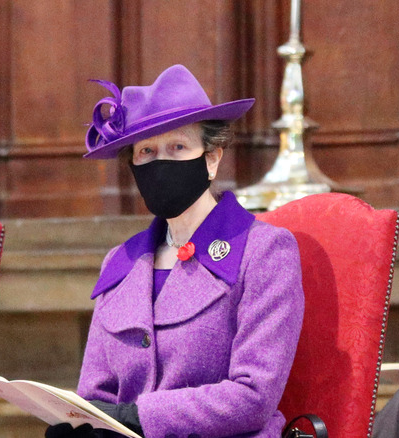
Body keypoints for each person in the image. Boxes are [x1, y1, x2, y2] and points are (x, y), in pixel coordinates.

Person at [46, 65, 305, 437]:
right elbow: (96, 394)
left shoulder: (264, 252)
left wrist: (139, 417)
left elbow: (253, 396)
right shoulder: (121, 262)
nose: (160, 162)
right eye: (146, 151)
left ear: (212, 158)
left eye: (178, 147)